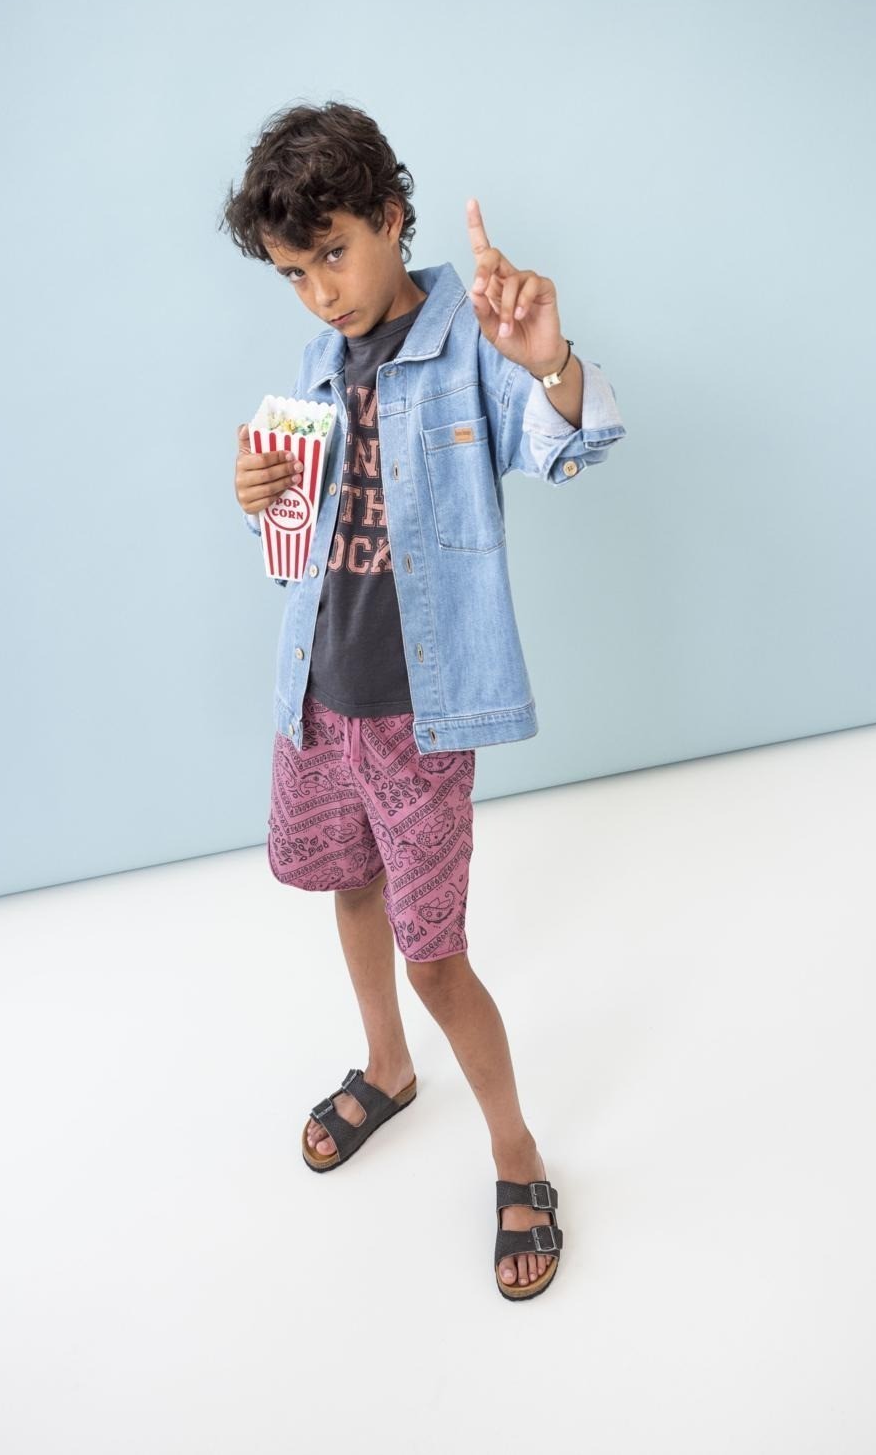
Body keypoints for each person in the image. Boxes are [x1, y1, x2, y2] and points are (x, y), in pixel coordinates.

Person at [222, 100, 626, 1300]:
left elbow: (571, 447)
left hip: (419, 715)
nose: (320, 293)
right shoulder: (316, 365)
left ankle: (517, 1154)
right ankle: (387, 1068)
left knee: (435, 953)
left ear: (392, 218)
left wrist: (548, 360)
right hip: (319, 698)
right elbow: (308, 553)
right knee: (347, 886)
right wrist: (260, 498)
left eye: (332, 254)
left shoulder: (471, 347)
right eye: (293, 274)